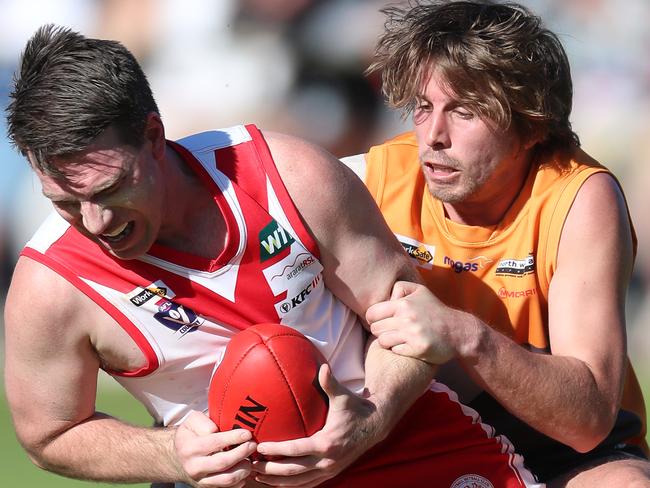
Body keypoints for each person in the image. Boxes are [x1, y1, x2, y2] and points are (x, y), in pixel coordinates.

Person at [3, 25, 540, 488]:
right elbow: (50, 433)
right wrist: (171, 455)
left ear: (154, 135)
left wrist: (369, 418)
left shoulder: (288, 177)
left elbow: (409, 317)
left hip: (402, 438)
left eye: (110, 188)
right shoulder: (52, 286)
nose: (96, 223)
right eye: (66, 203)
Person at [343, 1, 650, 486]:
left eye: (463, 111)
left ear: (530, 123)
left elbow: (587, 422)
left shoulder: (577, 197)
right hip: (417, 436)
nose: (433, 137)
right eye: (424, 107)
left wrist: (464, 335)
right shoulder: (371, 178)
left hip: (556, 449)